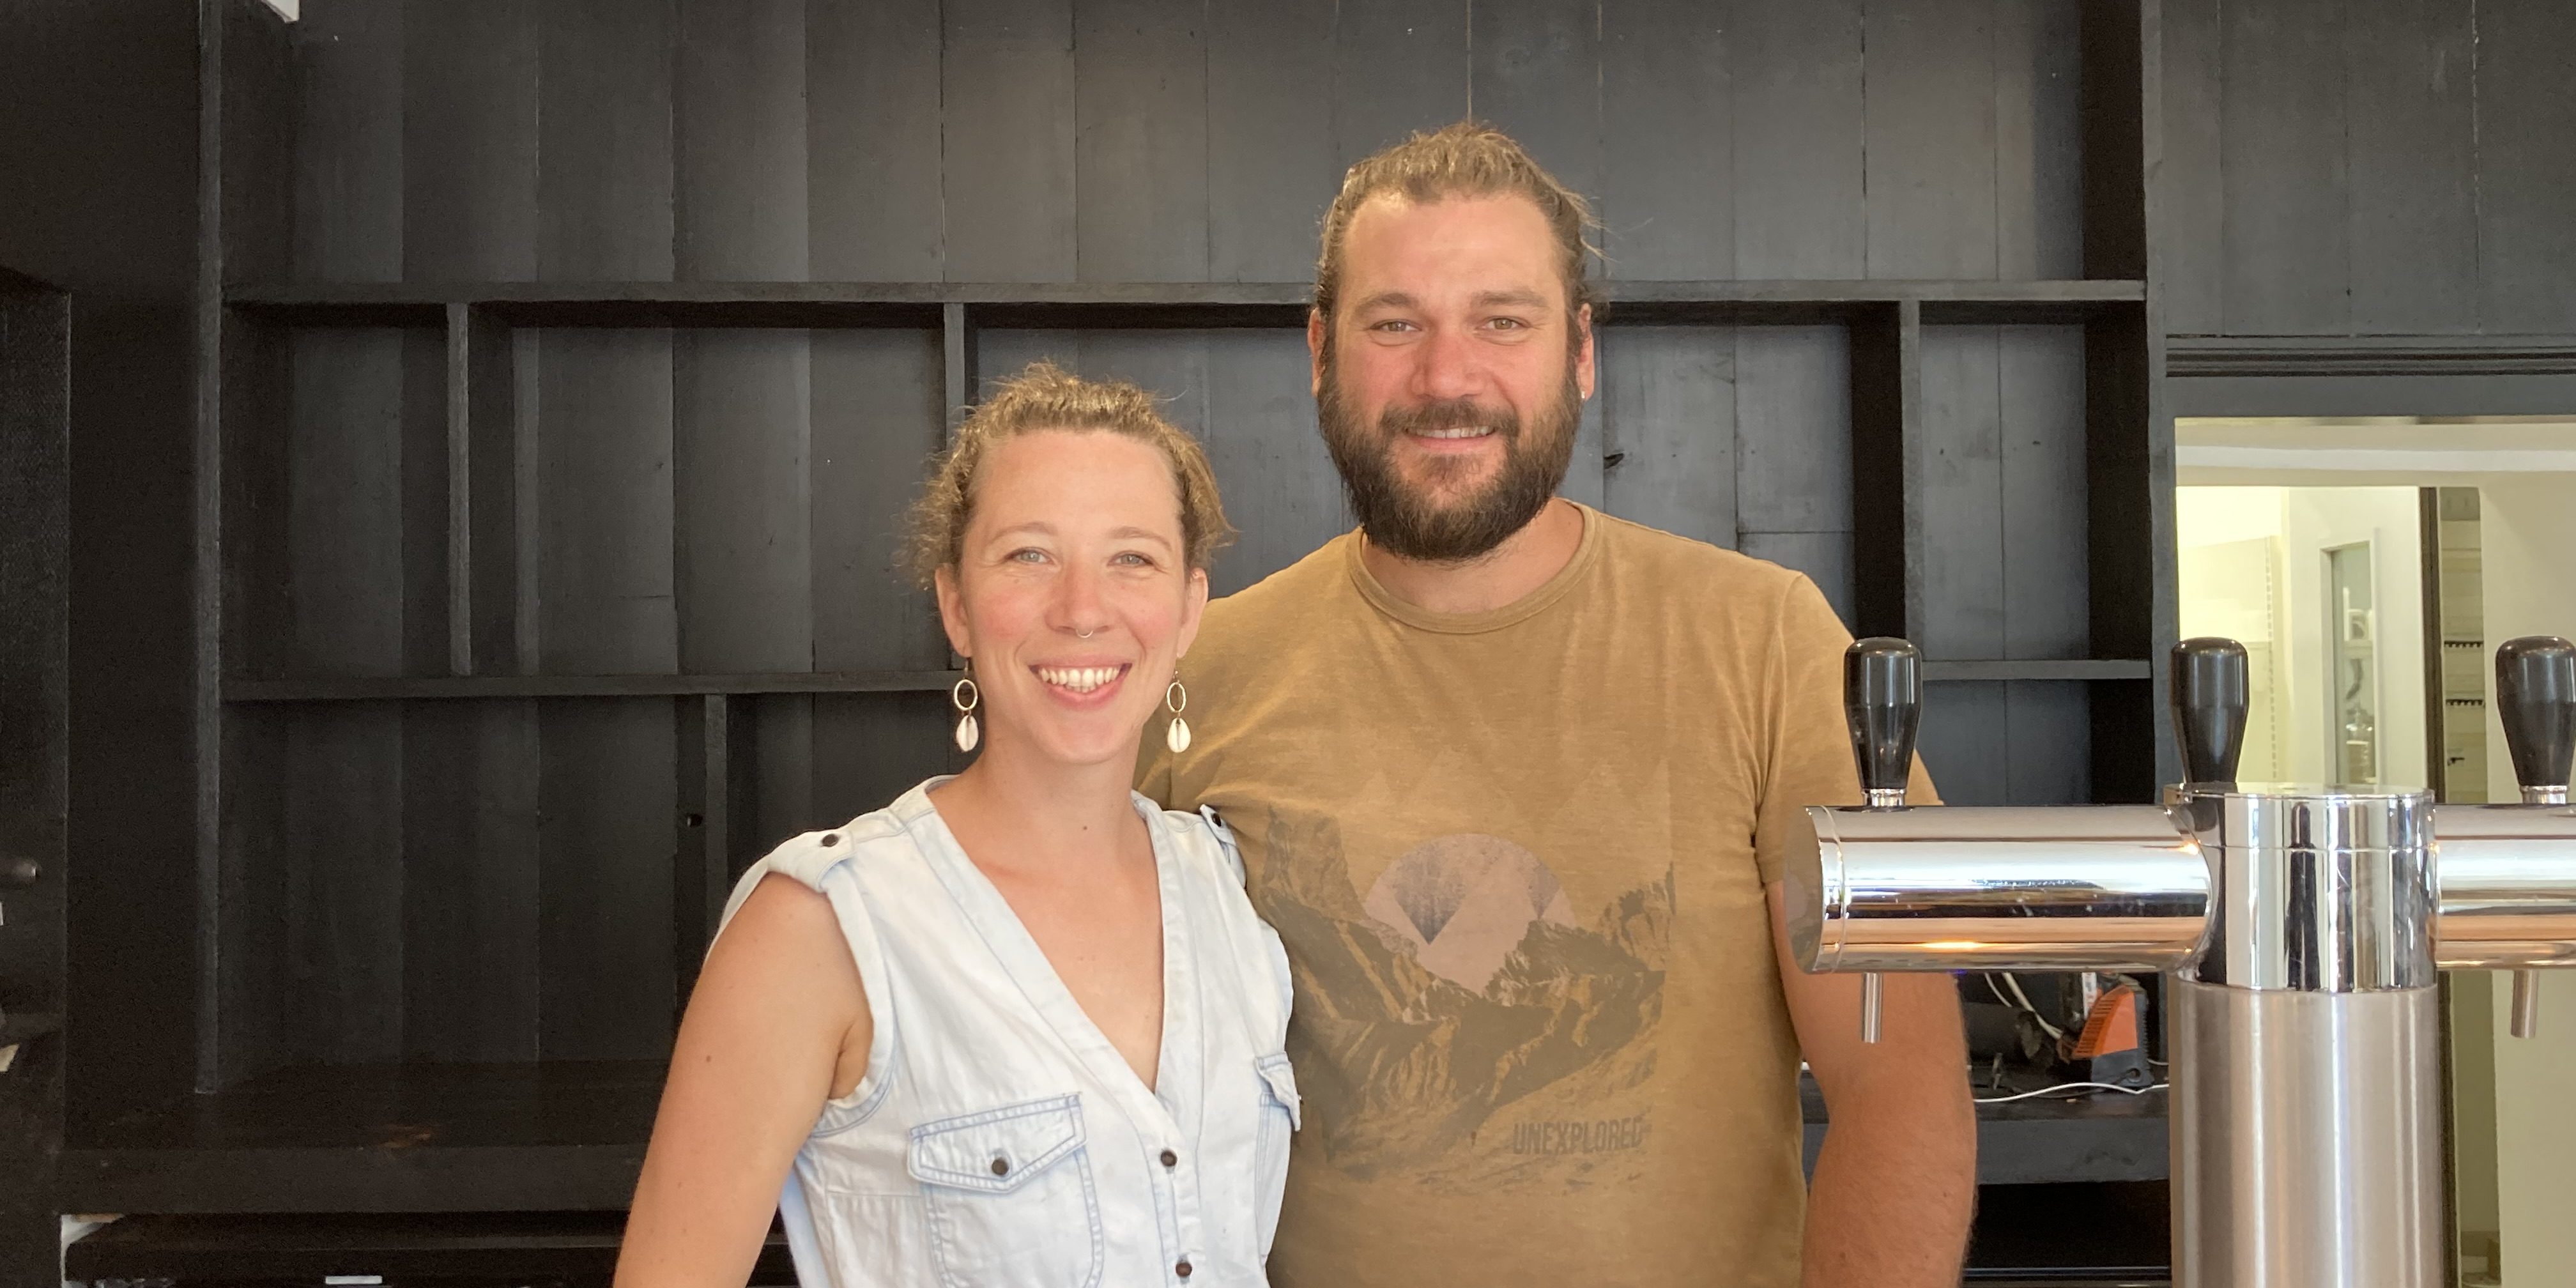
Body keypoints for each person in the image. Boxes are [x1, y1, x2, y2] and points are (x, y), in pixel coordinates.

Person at [1137, 123, 1974, 1287]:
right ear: (1321, 350)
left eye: (1503, 319)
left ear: (1580, 352)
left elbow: (1902, 1091)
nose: (1446, 377)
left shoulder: (1767, 642)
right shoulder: (1193, 674)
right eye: (1395, 324)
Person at [619, 363, 1298, 1288]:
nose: (1083, 609)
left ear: (1188, 609)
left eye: (1131, 558)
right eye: (1029, 555)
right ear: (955, 605)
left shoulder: (1230, 890)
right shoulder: (818, 929)